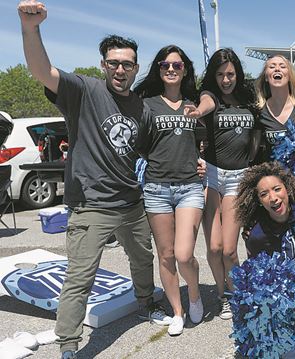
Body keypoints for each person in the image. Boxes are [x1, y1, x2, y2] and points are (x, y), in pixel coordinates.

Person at [15, 1, 193, 357]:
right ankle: (68, 343)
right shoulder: (84, 91)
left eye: (127, 64)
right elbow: (42, 70)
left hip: (130, 201)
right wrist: (30, 28)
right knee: (80, 277)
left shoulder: (141, 108)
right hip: (91, 205)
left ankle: (146, 301)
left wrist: (196, 163)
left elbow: (150, 150)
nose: (120, 69)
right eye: (113, 62)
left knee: (142, 258)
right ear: (103, 65)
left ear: (136, 67)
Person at [132, 45, 204, 336]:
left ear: (185, 69)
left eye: (177, 65)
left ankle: (195, 295)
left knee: (185, 254)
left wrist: (202, 161)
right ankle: (178, 310)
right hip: (157, 188)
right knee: (166, 254)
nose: (171, 69)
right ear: (158, 70)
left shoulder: (195, 102)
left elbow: (204, 141)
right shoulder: (147, 103)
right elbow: (137, 144)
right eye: (165, 65)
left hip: (189, 187)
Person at [188, 48, 260, 320]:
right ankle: (224, 296)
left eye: (230, 74)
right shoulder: (211, 97)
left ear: (238, 74)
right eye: (220, 74)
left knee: (229, 249)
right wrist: (197, 111)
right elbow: (206, 103)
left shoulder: (248, 98)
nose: (226, 80)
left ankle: (239, 291)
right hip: (213, 175)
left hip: (239, 178)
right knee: (214, 248)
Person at [235, 161, 295, 359]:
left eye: (277, 189)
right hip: (283, 290)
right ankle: (286, 347)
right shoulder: (257, 235)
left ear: (287, 188)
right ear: (258, 201)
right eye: (264, 194)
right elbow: (257, 278)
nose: (273, 198)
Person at [254, 55, 295, 161]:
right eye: (272, 67)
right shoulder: (259, 112)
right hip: (272, 175)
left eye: (282, 66)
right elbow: (253, 152)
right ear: (266, 77)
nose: (277, 69)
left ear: (290, 75)